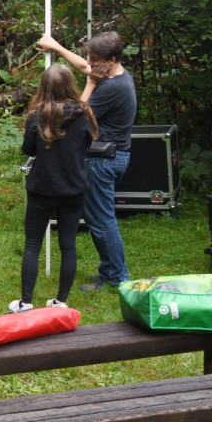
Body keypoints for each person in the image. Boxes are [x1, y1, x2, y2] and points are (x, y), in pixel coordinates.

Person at [36, 31, 136, 292]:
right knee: (101, 218)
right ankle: (110, 271)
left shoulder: (111, 88)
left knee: (102, 220)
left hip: (103, 162)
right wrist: (56, 46)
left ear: (110, 59)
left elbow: (76, 114)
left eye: (93, 58)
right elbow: (84, 67)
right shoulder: (118, 74)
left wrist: (90, 85)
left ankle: (116, 278)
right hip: (114, 156)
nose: (88, 62)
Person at [9, 64, 97, 313]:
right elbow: (88, 145)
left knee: (32, 245)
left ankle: (25, 302)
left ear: (44, 86)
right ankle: (61, 301)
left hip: (42, 188)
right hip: (73, 188)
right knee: (68, 245)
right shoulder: (85, 114)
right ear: (71, 84)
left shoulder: (38, 116)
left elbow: (28, 149)